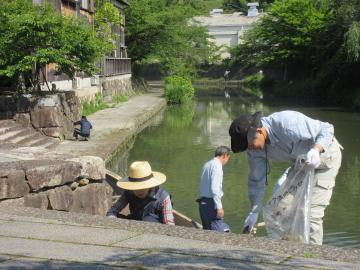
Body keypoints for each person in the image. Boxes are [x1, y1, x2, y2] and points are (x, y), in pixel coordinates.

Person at [229, 110, 343, 245]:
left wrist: (316, 149)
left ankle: (313, 258)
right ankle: (290, 247)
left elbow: (327, 128)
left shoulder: (286, 122)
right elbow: (256, 180)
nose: (251, 150)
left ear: (258, 131)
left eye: (250, 145)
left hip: (326, 159)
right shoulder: (254, 150)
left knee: (311, 215)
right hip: (302, 163)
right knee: (278, 209)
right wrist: (254, 211)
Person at [106, 161, 175, 225]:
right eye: (135, 187)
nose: (138, 191)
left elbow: (169, 224)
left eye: (142, 187)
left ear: (150, 185)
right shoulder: (128, 193)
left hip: (155, 230)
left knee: (147, 220)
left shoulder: (164, 197)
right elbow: (112, 212)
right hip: (134, 223)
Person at [198, 146, 231, 232]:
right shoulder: (217, 166)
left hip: (203, 204)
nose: (227, 161)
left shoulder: (207, 164)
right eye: (228, 158)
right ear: (224, 156)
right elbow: (215, 188)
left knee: (207, 232)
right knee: (218, 235)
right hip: (211, 205)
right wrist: (219, 207)